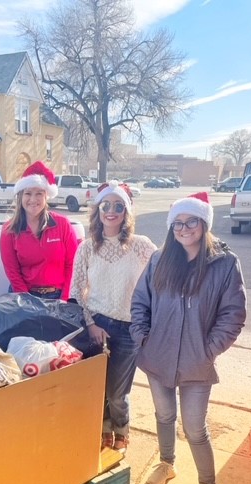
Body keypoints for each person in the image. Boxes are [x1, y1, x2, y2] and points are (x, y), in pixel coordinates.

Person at [130, 192, 246, 484]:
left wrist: (208, 350)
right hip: (157, 356)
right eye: (178, 223)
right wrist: (143, 339)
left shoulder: (224, 264)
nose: (184, 229)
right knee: (164, 415)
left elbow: (233, 315)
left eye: (190, 221)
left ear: (203, 222)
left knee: (195, 427)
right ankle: (167, 463)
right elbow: (140, 303)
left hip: (197, 362)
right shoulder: (160, 259)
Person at [70, 180, 156, 453]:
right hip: (97, 325)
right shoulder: (86, 247)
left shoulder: (140, 245)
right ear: (97, 210)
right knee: (98, 386)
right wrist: (91, 323)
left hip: (129, 328)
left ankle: (121, 429)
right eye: (106, 205)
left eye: (119, 206)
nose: (111, 211)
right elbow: (76, 289)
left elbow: (162, 274)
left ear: (126, 212)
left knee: (118, 391)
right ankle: (104, 428)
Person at [0, 161, 78, 301]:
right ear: (20, 197)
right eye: (28, 193)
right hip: (24, 295)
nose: (33, 199)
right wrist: (27, 302)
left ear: (46, 196)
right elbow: (12, 272)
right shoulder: (9, 230)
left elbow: (72, 264)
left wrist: (64, 299)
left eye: (39, 194)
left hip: (58, 296)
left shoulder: (62, 225)